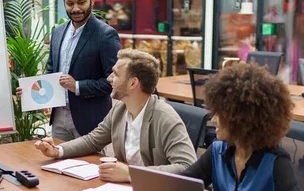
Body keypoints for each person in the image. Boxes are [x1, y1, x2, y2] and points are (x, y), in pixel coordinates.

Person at [129, 63, 304, 191]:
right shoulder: (218, 151)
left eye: (221, 114)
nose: (213, 119)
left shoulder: (275, 161)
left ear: (242, 121)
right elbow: (181, 185)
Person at [34, 49, 197, 182]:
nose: (109, 79)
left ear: (133, 83)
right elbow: (92, 141)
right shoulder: (120, 110)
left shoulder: (165, 117)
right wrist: (58, 151)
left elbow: (186, 166)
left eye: (116, 74)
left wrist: (130, 173)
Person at [18, 0, 121, 140]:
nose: (76, 8)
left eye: (81, 2)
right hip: (58, 117)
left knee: (88, 165)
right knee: (56, 162)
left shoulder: (105, 35)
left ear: (92, 0)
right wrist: (31, 90)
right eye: (70, 3)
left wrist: (77, 86)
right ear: (64, 2)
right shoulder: (58, 32)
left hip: (90, 120)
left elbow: (115, 81)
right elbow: (51, 71)